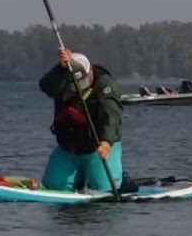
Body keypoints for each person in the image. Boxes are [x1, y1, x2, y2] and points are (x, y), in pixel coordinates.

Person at [38, 47, 126, 192]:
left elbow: (112, 116)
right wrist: (60, 67)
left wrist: (106, 142)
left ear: (90, 72)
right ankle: (76, 180)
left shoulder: (105, 85)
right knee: (54, 186)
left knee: (105, 188)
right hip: (69, 147)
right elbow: (45, 86)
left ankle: (121, 180)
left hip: (99, 148)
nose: (77, 91)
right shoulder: (61, 79)